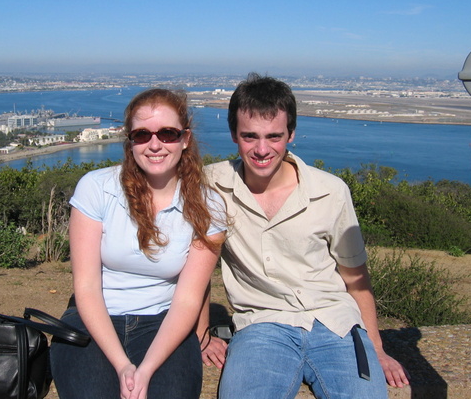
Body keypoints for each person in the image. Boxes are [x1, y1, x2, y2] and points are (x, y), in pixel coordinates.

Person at [198, 74, 409, 399]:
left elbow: (356, 280)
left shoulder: (330, 192)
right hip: (261, 324)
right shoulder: (211, 185)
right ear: (233, 136)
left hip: (335, 323)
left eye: (274, 136)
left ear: (291, 134)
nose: (262, 149)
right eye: (250, 136)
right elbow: (194, 269)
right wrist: (200, 337)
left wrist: (376, 348)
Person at [51, 88, 226, 399]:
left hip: (164, 321)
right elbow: (87, 287)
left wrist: (145, 370)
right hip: (94, 317)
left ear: (185, 139)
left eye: (168, 133)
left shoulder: (208, 206)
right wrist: (123, 366)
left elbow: (188, 299)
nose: (155, 144)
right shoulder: (97, 189)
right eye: (142, 135)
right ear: (129, 142)